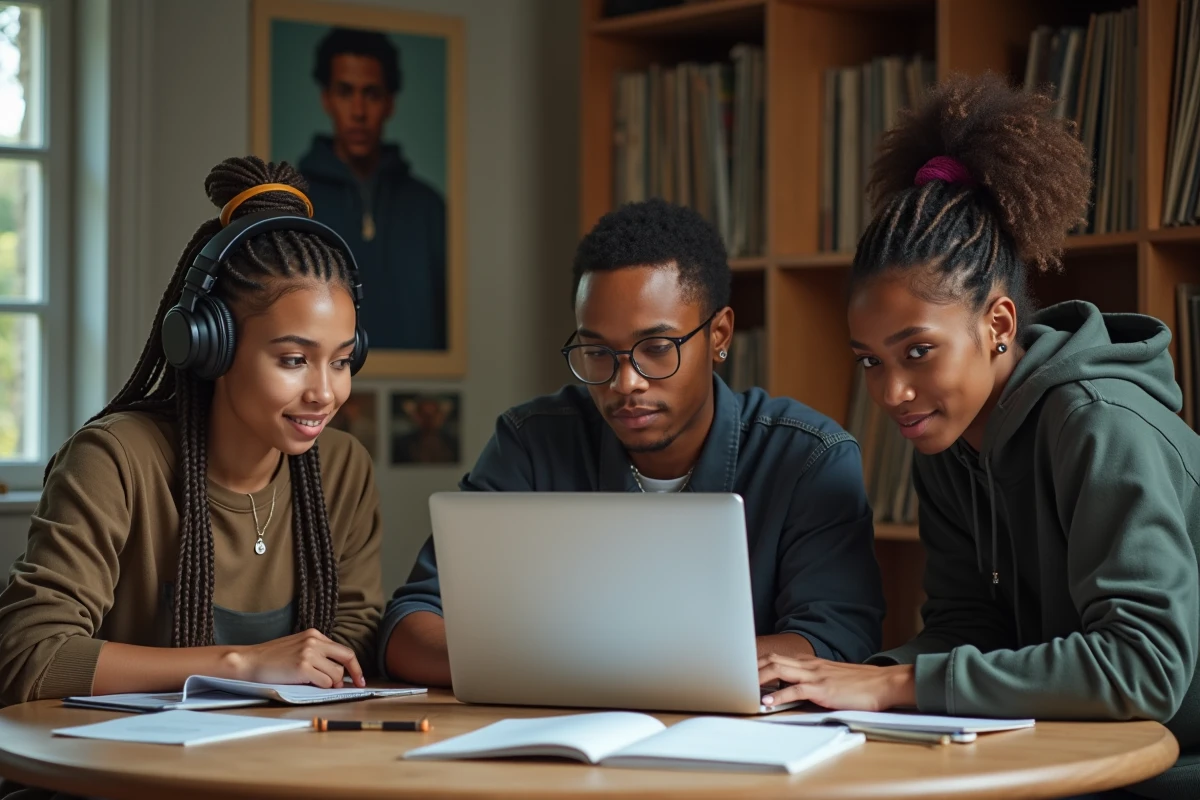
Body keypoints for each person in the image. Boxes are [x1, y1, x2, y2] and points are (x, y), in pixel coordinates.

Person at [756, 74, 1200, 799]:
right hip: (1082, 749)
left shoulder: (1099, 424)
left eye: (917, 352)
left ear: (996, 325)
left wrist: (896, 685)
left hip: (1170, 760)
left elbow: (1143, 666)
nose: (891, 392)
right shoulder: (948, 436)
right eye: (870, 360)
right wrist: (844, 681)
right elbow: (970, 624)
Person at [381, 198, 885, 686]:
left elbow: (837, 643)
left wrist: (601, 666)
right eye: (598, 352)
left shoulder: (807, 457)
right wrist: (598, 671)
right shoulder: (532, 444)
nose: (625, 383)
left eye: (657, 348)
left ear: (720, 335)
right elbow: (409, 627)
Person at [0, 156, 383, 712]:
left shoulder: (343, 468)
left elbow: (354, 635)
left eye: (342, 361)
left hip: (276, 766)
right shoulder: (115, 460)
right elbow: (28, 655)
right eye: (295, 359)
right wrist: (241, 664)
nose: (324, 393)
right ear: (210, 346)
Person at [298, 27, 446, 351]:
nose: (359, 112)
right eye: (345, 92)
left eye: (372, 94)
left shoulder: (430, 207)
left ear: (390, 103)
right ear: (326, 98)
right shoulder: (295, 202)